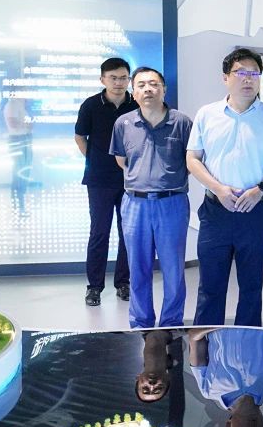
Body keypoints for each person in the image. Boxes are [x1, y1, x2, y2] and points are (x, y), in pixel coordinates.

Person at [187, 48, 263, 327]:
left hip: (255, 211)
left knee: (251, 286)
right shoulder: (207, 114)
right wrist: (218, 189)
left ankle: (248, 344)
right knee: (210, 286)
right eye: (241, 73)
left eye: (254, 74)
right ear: (225, 78)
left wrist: (260, 189)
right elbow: (193, 158)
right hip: (216, 211)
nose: (248, 79)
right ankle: (205, 344)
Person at [111, 67, 193, 329]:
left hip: (172, 203)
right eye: (141, 85)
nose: (148, 89)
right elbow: (121, 160)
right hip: (135, 204)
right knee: (138, 268)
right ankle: (141, 322)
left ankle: (171, 323)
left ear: (164, 89)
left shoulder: (182, 122)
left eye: (154, 84)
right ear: (133, 92)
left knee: (173, 269)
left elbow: (191, 161)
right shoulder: (123, 123)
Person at [74, 57, 137, 307]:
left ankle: (123, 282)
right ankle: (94, 287)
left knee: (127, 233)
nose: (119, 82)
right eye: (113, 78)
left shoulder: (136, 104)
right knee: (99, 232)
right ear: (102, 79)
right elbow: (80, 137)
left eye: (123, 78)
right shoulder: (91, 105)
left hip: (131, 180)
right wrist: (95, 160)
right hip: (99, 180)